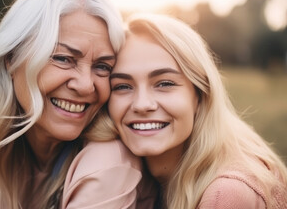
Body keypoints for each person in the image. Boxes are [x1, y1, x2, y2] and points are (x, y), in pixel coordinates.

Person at [0, 0, 155, 209]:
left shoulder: (109, 161)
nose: (86, 85)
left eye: (102, 66)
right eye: (64, 58)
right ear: (12, 58)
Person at [108, 13, 287, 208]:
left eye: (164, 83)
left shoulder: (225, 195)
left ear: (200, 96)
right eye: (122, 86)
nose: (141, 104)